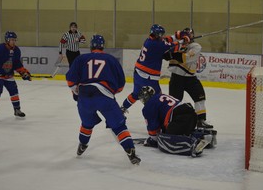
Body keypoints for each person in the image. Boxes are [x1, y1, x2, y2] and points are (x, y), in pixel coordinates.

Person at [66, 34, 141, 165]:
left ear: (91, 46)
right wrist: (111, 92)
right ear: (102, 46)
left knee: (87, 124)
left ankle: (82, 144)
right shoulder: (111, 59)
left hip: (84, 97)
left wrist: (76, 93)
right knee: (118, 125)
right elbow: (121, 85)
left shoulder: (81, 59)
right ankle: (130, 150)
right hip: (104, 96)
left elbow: (71, 80)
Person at [120, 24, 190, 115]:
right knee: (158, 97)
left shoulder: (150, 40)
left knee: (136, 94)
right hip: (149, 77)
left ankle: (122, 108)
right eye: (161, 35)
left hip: (138, 72)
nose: (162, 37)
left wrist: (176, 36)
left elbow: (166, 40)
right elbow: (174, 47)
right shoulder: (157, 45)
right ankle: (160, 116)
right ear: (157, 35)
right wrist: (184, 40)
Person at [137, 86, 213, 157]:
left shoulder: (148, 106)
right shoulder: (161, 96)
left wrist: (153, 140)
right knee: (184, 132)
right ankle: (203, 136)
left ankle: (194, 145)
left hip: (179, 117)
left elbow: (153, 128)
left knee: (166, 138)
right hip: (191, 114)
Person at [166, 28, 213, 129]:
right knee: (174, 102)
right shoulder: (176, 44)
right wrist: (175, 44)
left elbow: (185, 58)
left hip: (190, 78)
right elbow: (165, 54)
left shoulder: (196, 47)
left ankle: (201, 120)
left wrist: (173, 53)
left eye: (189, 35)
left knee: (200, 98)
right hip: (176, 78)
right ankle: (172, 121)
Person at [0, 31, 32, 121]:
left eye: (15, 40)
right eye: (11, 40)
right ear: (7, 40)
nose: (13, 41)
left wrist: (23, 72)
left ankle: (17, 110)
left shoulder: (16, 50)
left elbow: (17, 64)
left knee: (14, 92)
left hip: (9, 76)